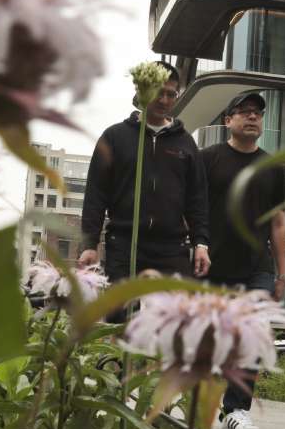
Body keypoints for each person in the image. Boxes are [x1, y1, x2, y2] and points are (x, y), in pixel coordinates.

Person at [200, 92, 285, 429]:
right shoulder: (208, 160)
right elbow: (193, 211)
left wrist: (282, 273)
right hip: (212, 265)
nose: (252, 117)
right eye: (244, 112)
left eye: (257, 113)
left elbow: (278, 223)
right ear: (228, 121)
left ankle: (235, 410)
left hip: (257, 266)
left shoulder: (271, 168)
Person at [79, 61, 210, 285]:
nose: (164, 100)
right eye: (158, 92)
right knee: (119, 316)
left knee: (176, 316)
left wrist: (201, 244)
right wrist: (90, 244)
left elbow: (197, 199)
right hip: (124, 244)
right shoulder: (114, 137)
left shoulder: (186, 143)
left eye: (171, 94)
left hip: (171, 247)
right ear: (142, 90)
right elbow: (96, 195)